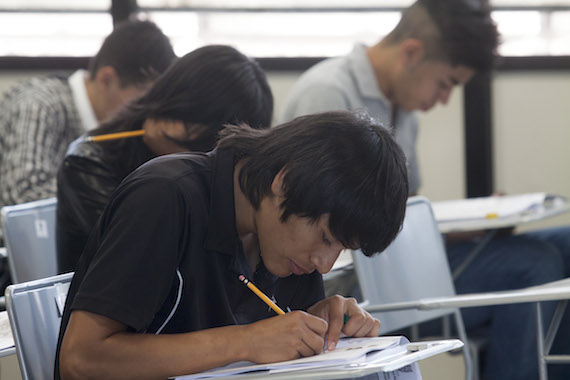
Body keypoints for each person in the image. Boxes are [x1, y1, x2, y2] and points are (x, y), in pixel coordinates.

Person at [278, 1, 570, 379]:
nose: (445, 100)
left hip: (403, 264)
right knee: (534, 266)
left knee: (564, 243)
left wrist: (472, 226)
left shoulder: (402, 102)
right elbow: (339, 236)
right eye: (446, 83)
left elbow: (396, 219)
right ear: (412, 53)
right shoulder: (327, 95)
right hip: (365, 286)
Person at [55, 110, 410, 379]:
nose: (325, 264)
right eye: (326, 238)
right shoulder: (164, 197)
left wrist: (320, 329)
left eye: (341, 249)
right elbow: (81, 359)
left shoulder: (285, 243)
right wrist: (246, 341)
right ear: (284, 182)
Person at [56, 44, 274, 273]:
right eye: (186, 117)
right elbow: (152, 254)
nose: (179, 128)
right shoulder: (89, 163)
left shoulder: (227, 180)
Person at [0, 20, 175, 241]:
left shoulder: (118, 126)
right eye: (144, 98)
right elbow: (24, 196)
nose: (147, 111)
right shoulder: (38, 104)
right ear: (107, 79)